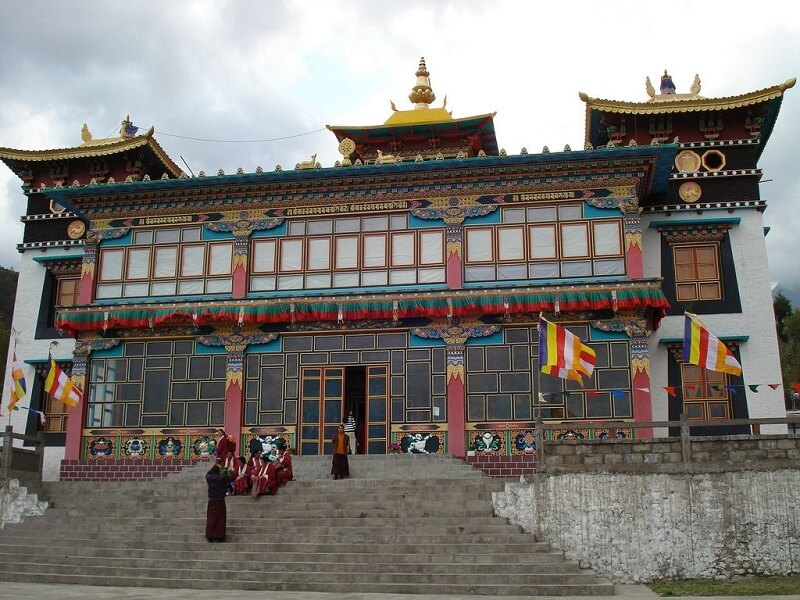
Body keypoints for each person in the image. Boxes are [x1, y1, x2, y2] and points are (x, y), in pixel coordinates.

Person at [205, 463, 234, 542]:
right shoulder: (222, 478)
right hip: (220, 500)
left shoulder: (209, 478)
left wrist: (214, 466)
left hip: (211, 500)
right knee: (220, 519)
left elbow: (207, 473)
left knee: (211, 518)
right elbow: (232, 477)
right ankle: (219, 536)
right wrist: (230, 471)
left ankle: (210, 536)